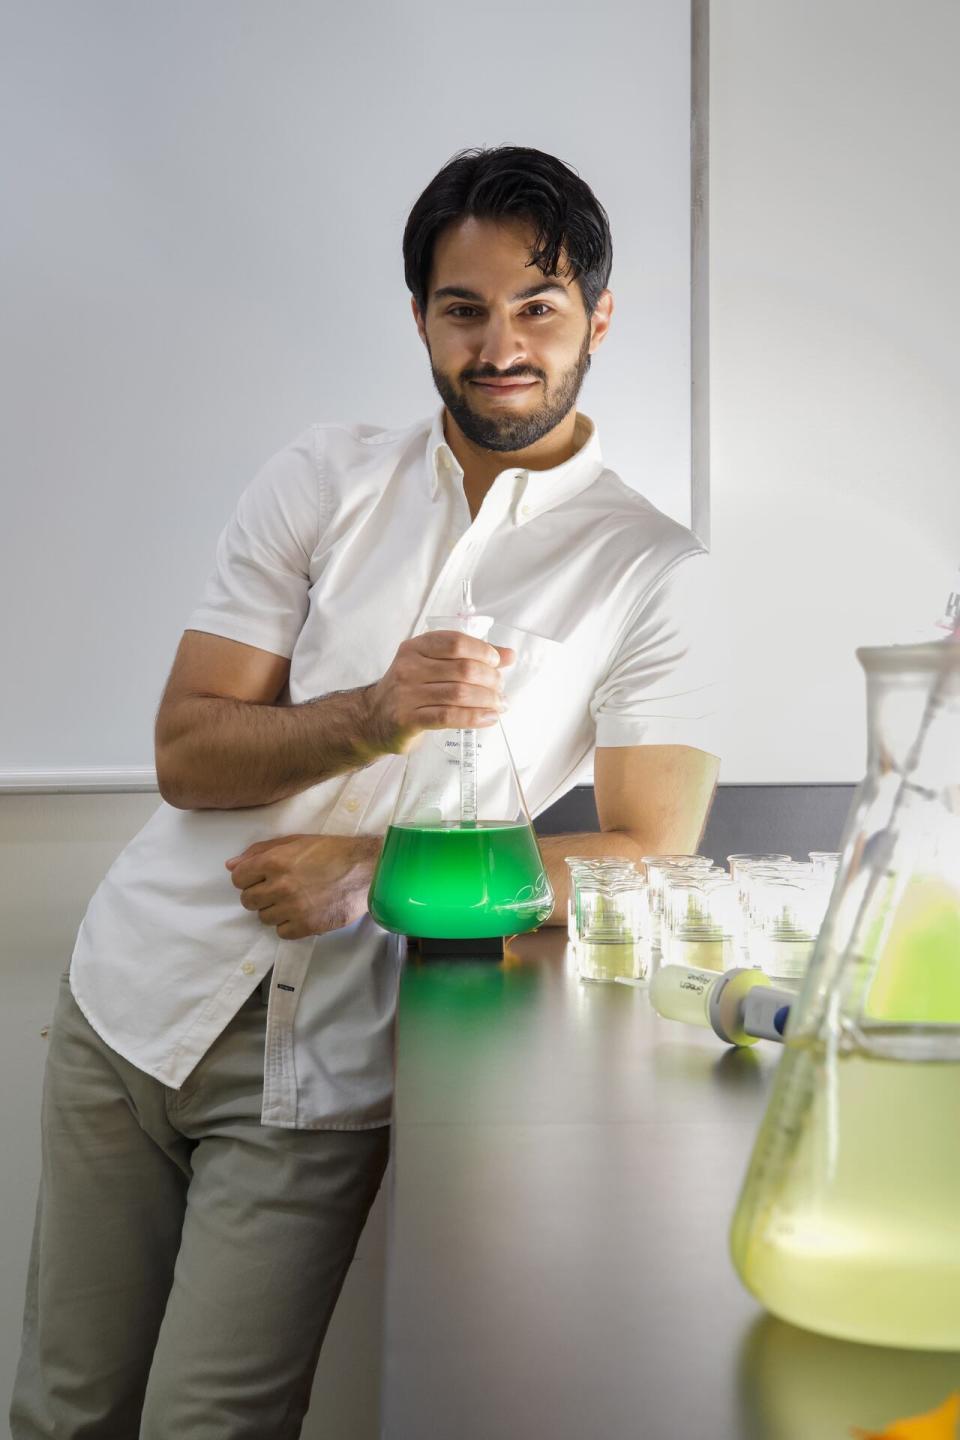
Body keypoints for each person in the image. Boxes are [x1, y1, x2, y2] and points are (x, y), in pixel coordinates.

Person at [10, 144, 722, 1439]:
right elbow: (188, 751)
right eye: (465, 309)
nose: (500, 343)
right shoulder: (322, 477)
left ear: (597, 319)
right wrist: (374, 714)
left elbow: (654, 848)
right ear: (421, 320)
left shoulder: (650, 567)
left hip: (323, 1059)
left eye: (538, 306)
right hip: (131, 992)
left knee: (208, 1430)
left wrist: (375, 867)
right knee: (61, 1413)